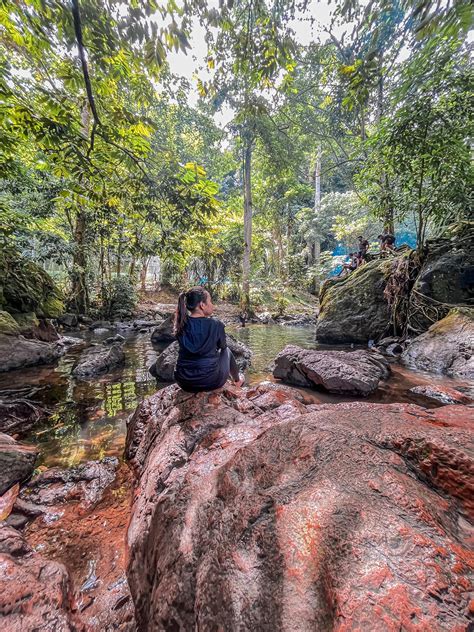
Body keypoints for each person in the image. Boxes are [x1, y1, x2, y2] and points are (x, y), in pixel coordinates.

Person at [174, 287, 244, 392]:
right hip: (210, 381)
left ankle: (236, 379)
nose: (213, 305)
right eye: (210, 301)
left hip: (183, 381)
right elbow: (223, 347)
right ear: (202, 305)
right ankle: (237, 380)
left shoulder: (181, 324)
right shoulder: (216, 324)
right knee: (227, 351)